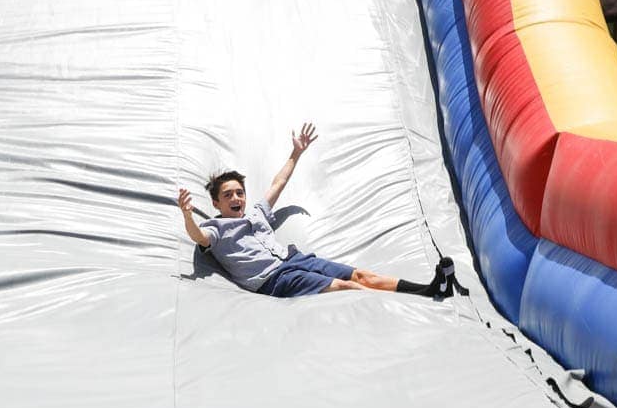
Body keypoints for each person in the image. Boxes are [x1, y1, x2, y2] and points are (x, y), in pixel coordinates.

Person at [178, 123, 456, 299]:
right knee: (346, 287)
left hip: (294, 259)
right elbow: (199, 237)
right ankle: (411, 308)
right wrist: (188, 214)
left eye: (240, 192)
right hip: (275, 279)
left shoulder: (256, 214)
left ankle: (429, 290)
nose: (236, 198)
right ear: (216, 203)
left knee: (362, 277)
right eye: (228, 195)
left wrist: (296, 153)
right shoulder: (216, 228)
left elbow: (278, 182)